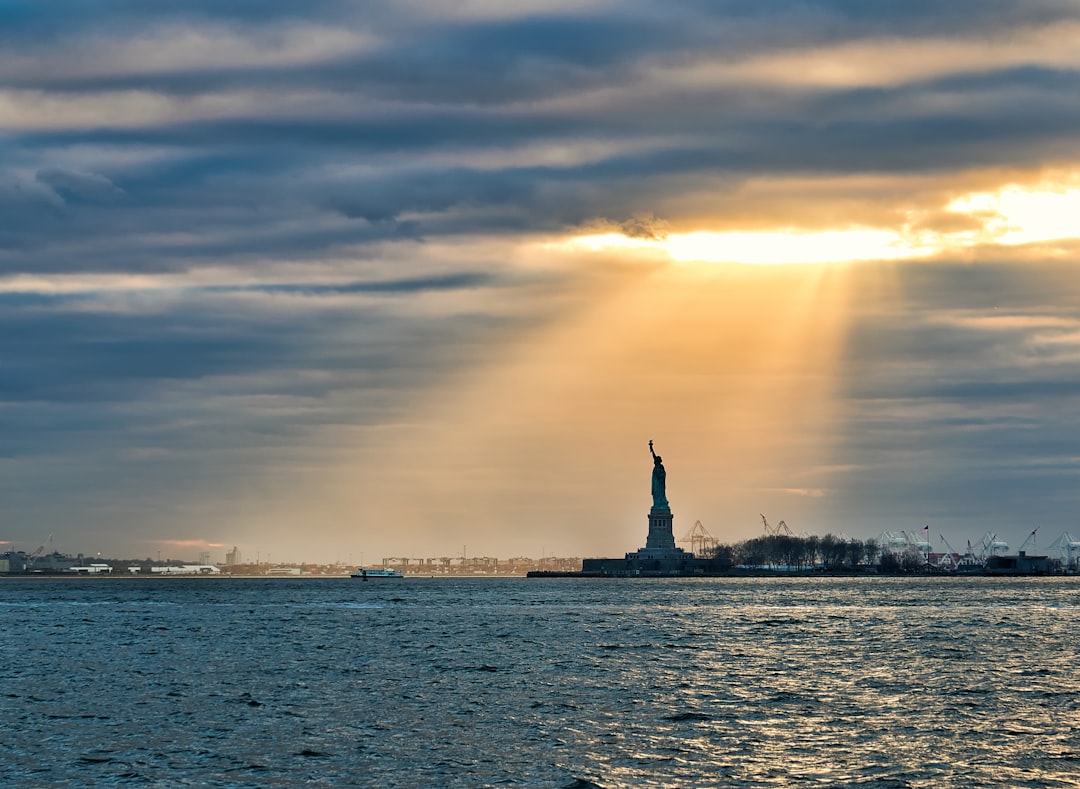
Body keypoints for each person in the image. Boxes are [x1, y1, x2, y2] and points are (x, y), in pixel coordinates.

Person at [649, 440, 668, 508]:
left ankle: (661, 503)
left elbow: (663, 475)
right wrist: (651, 448)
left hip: (659, 484)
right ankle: (657, 504)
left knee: (659, 494)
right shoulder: (657, 466)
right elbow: (654, 456)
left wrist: (660, 476)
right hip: (656, 483)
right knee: (656, 494)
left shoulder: (660, 467)